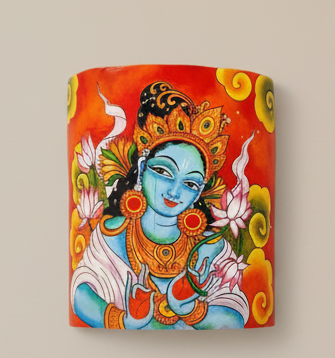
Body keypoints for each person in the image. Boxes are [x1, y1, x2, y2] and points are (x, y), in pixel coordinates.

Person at [70, 81, 249, 329]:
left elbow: (236, 316)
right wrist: (125, 321)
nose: (175, 192)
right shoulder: (111, 236)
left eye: (190, 183)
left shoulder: (211, 248)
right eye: (164, 172)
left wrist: (191, 310)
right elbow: (80, 295)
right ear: (143, 167)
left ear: (198, 194)